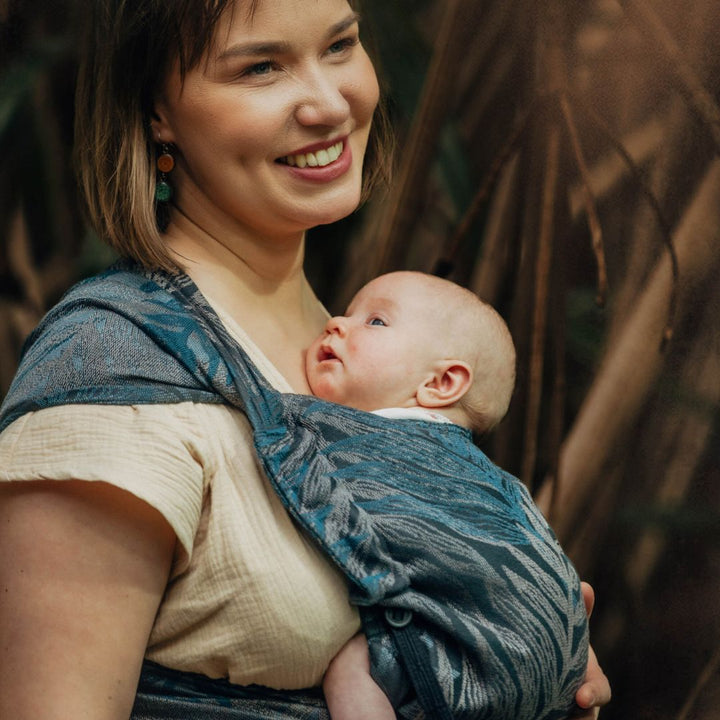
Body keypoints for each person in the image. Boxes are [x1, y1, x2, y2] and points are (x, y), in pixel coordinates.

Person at [0, 1, 610, 718]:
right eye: (261, 67)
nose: (329, 103)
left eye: (341, 44)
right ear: (156, 110)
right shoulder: (115, 376)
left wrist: (518, 633)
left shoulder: (371, 359)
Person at [305, 271, 579, 719]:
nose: (336, 321)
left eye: (374, 322)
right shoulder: (501, 483)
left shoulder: (347, 434)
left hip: (449, 654)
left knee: (354, 665)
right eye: (347, 311)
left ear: (442, 383)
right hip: (548, 668)